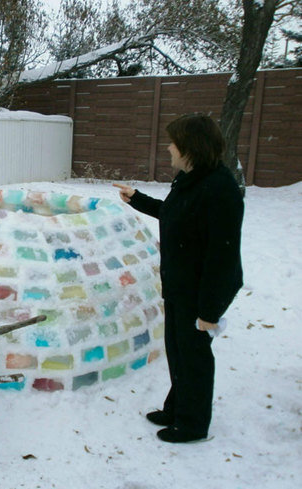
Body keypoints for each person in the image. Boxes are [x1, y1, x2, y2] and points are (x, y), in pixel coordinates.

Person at [113, 113, 244, 443]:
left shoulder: (219, 189)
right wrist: (137, 199)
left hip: (200, 293)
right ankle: (177, 408)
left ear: (190, 147)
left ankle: (193, 424)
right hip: (179, 287)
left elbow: (223, 258)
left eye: (174, 143)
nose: (168, 148)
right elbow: (176, 215)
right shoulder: (192, 179)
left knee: (195, 357)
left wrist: (209, 311)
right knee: (178, 351)